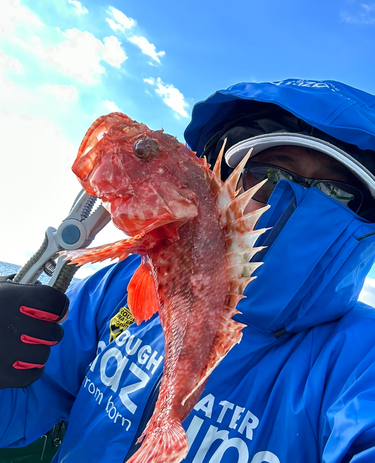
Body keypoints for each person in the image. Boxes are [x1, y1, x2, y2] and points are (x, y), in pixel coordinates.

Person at [1, 78, 375, 463]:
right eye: (268, 177)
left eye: (339, 195)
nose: (294, 204)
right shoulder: (117, 284)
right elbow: (23, 406)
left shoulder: (362, 359)